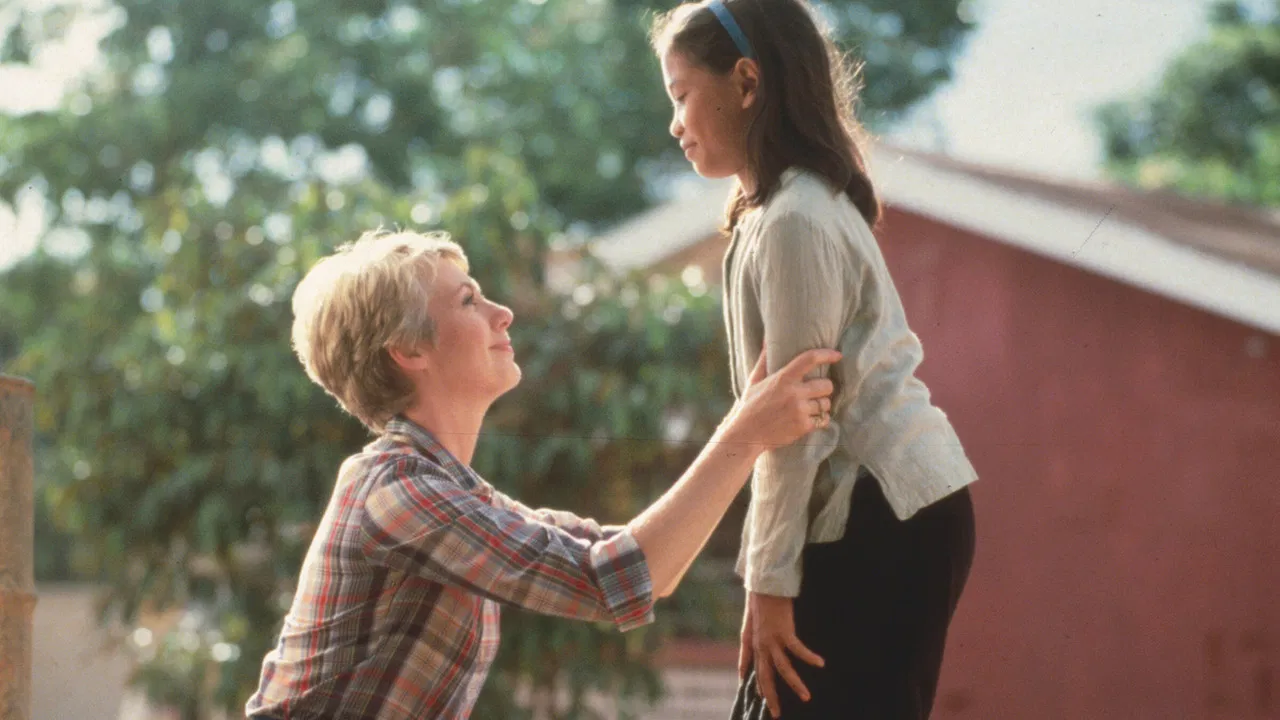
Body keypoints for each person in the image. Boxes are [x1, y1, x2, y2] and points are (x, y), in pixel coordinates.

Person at [243, 229, 842, 719]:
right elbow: (616, 579)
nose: (503, 313)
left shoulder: (451, 492)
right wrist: (747, 432)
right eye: (468, 301)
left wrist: (766, 578)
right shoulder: (396, 493)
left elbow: (633, 561)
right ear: (409, 350)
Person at [650, 1, 980, 718]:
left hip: (881, 511)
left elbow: (797, 423)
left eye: (681, 95)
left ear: (746, 82)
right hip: (878, 510)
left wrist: (767, 585)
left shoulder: (796, 218)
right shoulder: (773, 212)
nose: (674, 124)